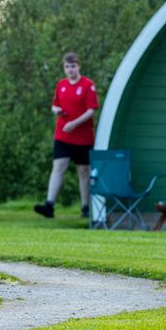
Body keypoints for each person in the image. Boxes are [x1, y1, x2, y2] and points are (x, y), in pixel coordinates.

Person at [34, 51, 99, 219]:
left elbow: (91, 110)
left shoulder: (87, 85)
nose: (70, 70)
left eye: (73, 66)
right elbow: (55, 104)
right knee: (58, 167)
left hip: (83, 137)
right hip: (63, 136)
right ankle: (49, 205)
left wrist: (74, 123)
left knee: (83, 171)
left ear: (79, 67)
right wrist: (56, 110)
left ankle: (85, 207)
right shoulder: (61, 85)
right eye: (67, 67)